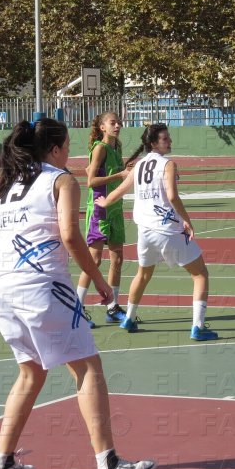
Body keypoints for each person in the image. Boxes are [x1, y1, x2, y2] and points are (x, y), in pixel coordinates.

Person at [0, 119, 154, 469]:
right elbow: (70, 235)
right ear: (54, 149)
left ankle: (1, 461)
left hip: (0, 286)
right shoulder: (61, 180)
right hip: (41, 286)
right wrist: (99, 281)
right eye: (67, 145)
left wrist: (17, 250)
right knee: (87, 367)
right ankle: (108, 462)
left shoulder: (7, 183)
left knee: (31, 371)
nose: (71, 152)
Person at [96, 123, 216, 340]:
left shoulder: (140, 165)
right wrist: (186, 220)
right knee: (200, 274)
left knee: (143, 274)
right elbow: (172, 196)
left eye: (169, 138)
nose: (169, 141)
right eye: (165, 139)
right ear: (153, 143)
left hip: (145, 231)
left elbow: (121, 189)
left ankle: (129, 318)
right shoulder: (168, 164)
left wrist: (105, 202)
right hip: (167, 228)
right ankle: (198, 327)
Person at [76, 112, 129, 326]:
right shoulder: (100, 147)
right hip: (99, 208)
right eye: (112, 123)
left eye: (118, 122)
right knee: (94, 260)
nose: (117, 125)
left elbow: (90, 168)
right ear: (102, 127)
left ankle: (112, 307)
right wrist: (119, 175)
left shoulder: (117, 147)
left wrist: (126, 172)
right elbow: (91, 180)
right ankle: (77, 308)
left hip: (115, 208)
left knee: (117, 259)